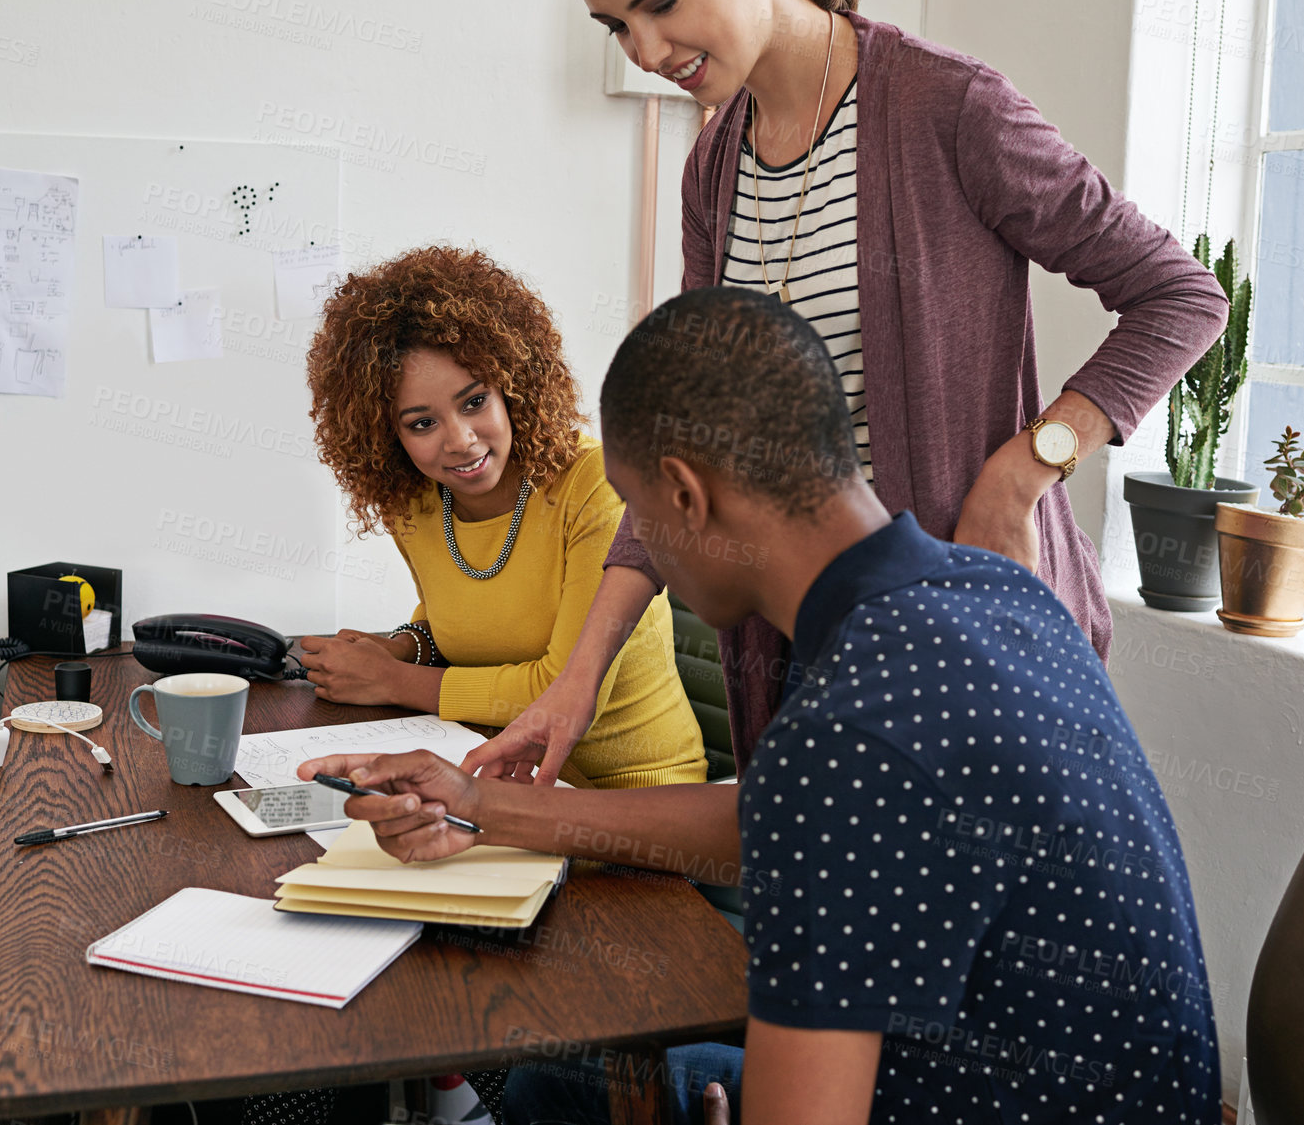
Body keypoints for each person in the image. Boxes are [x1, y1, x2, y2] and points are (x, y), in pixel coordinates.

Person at [299, 288, 1222, 1125]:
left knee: (565, 1078)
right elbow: (776, 813)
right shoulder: (995, 591)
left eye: (635, 513)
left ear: (685, 497)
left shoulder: (847, 729)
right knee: (561, 1080)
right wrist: (484, 802)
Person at [464, 0, 1230, 788]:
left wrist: (1024, 471)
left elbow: (1180, 296)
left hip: (970, 634)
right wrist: (575, 682)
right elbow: (683, 429)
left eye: (662, 2)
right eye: (614, 26)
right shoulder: (714, 170)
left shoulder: (949, 107)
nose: (646, 51)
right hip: (800, 644)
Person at [301, 244, 706, 789]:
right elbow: (455, 626)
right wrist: (400, 647)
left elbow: (564, 692)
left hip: (633, 796)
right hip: (494, 772)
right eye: (422, 423)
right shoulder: (416, 503)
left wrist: (393, 681)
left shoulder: (597, 486)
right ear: (387, 435)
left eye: (474, 402)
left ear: (513, 386)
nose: (461, 442)